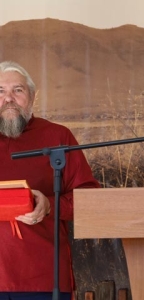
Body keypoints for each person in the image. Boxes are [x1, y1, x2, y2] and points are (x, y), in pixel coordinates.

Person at [0, 61, 100, 300]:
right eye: (0, 91)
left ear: (32, 96)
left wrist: (50, 206)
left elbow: (89, 200)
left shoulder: (58, 136)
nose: (9, 98)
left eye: (18, 90)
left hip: (43, 278)